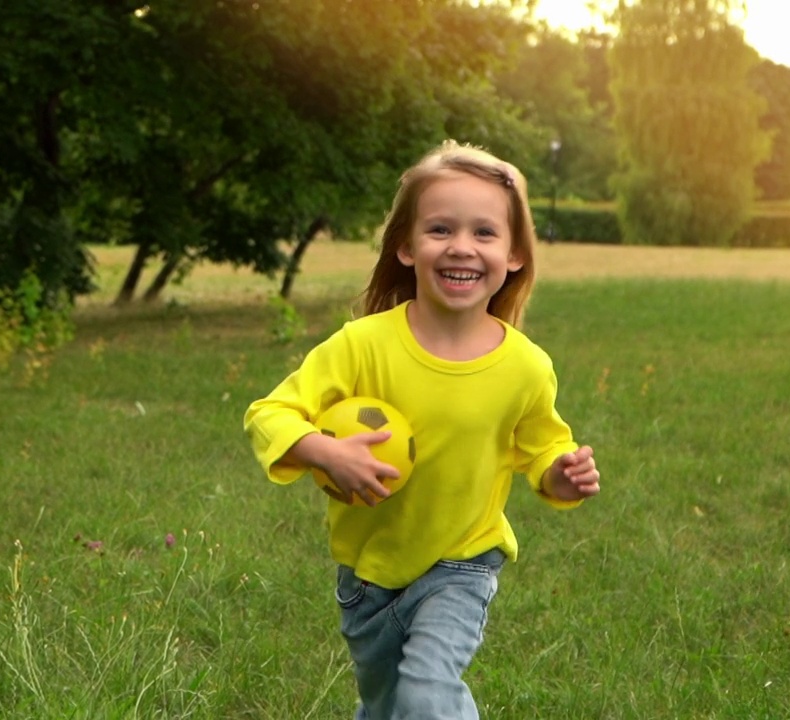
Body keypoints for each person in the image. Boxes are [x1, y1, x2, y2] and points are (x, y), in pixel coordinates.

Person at [243, 140, 601, 719]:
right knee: (386, 705)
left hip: (463, 561)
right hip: (369, 575)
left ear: (514, 255)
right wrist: (323, 451)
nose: (462, 246)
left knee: (427, 692)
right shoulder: (363, 346)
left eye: (485, 232)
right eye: (440, 229)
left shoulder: (526, 366)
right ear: (407, 247)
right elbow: (269, 413)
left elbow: (542, 449)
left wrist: (561, 474)